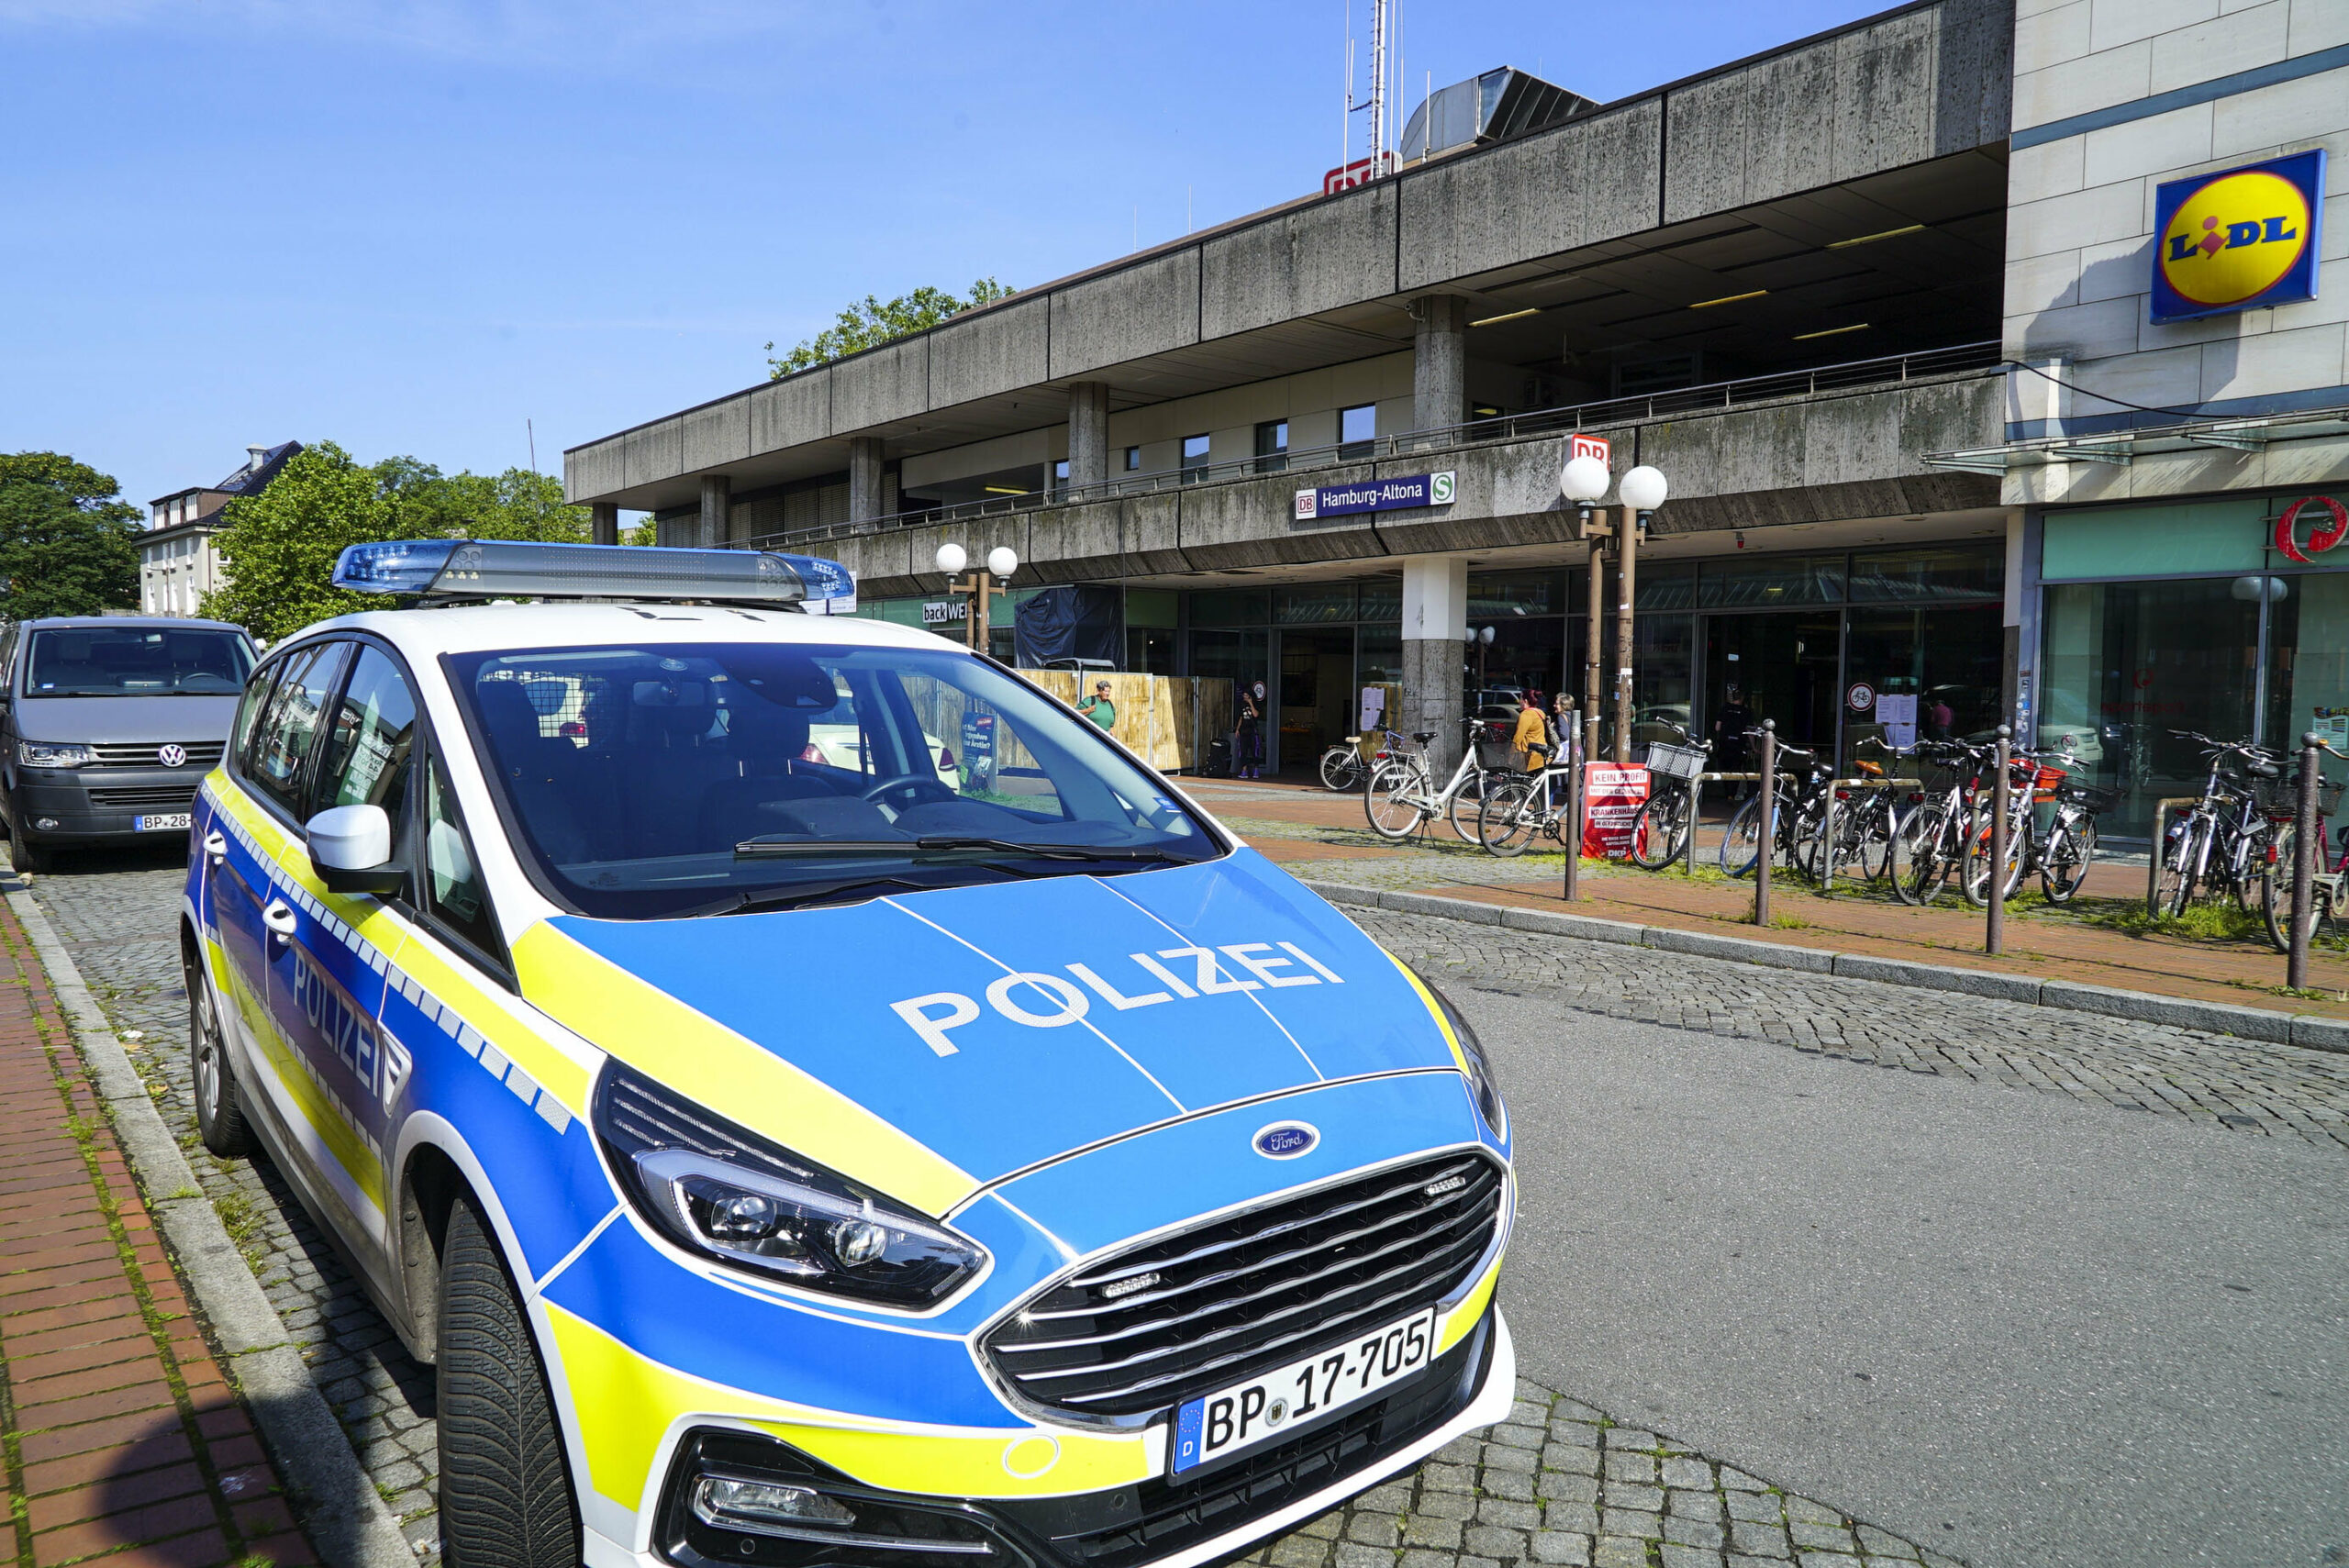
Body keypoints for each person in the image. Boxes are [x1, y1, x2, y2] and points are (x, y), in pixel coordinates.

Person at [1713, 683, 1753, 799]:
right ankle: (1733, 794)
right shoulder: (1746, 712)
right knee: (1736, 770)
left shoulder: (1724, 709)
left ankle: (1727, 794)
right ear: (1742, 698)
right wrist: (1754, 747)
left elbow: (1717, 728)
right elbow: (1750, 731)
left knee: (1725, 769)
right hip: (1739, 745)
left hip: (1725, 744)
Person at [1234, 681, 1266, 779]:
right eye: (1244, 696)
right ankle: (1244, 770)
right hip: (1243, 730)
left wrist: (1251, 703)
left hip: (1252, 730)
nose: (1245, 698)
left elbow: (1256, 714)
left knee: (1254, 751)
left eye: (1246, 696)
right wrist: (1237, 729)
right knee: (1243, 751)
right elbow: (1240, 717)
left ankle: (1256, 770)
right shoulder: (1241, 705)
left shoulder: (1255, 704)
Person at [1511, 690, 1550, 771]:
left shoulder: (1526, 715)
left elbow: (1518, 737)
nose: (1519, 702)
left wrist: (1511, 754)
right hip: (1541, 752)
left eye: (1520, 699)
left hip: (1529, 755)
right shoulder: (1540, 713)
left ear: (1525, 701)